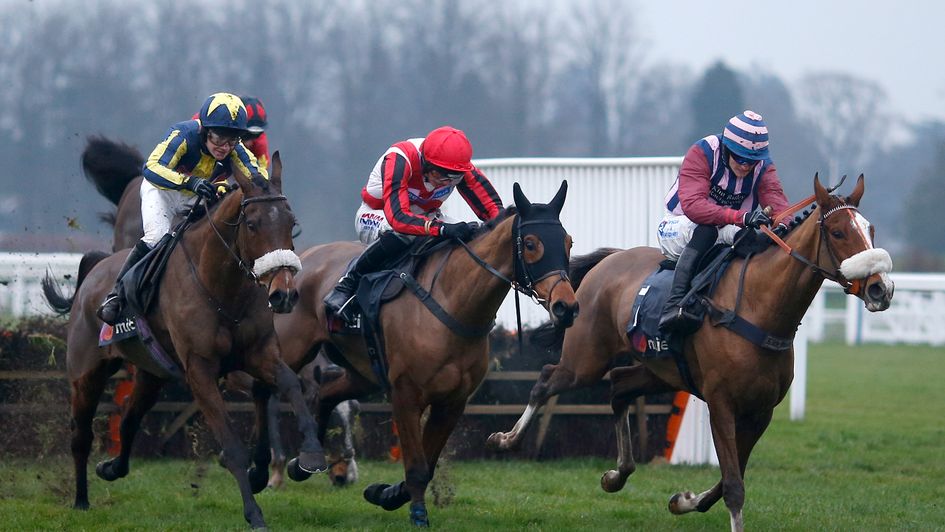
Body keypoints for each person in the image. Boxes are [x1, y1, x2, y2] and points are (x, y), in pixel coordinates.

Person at [97, 92, 269, 325]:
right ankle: (116, 296)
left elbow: (258, 179)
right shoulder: (184, 134)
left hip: (196, 193)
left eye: (232, 140)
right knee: (157, 236)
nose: (224, 147)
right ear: (205, 130)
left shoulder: (235, 149)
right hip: (162, 191)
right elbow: (152, 167)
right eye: (219, 137)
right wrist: (190, 182)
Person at [323, 125, 503, 322]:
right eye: (440, 175)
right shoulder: (400, 158)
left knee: (472, 236)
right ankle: (347, 284)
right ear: (425, 163)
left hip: (425, 217)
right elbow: (398, 218)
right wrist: (441, 228)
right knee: (404, 234)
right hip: (379, 214)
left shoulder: (458, 168)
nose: (446, 182)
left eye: (453, 177)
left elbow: (494, 212)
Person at [656, 110, 791, 334]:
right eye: (740, 157)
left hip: (725, 229)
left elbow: (777, 201)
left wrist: (785, 225)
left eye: (752, 161)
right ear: (727, 147)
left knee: (753, 240)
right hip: (680, 225)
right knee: (706, 231)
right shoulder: (703, 151)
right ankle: (674, 304)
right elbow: (694, 207)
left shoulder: (764, 165)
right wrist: (741, 217)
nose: (745, 166)